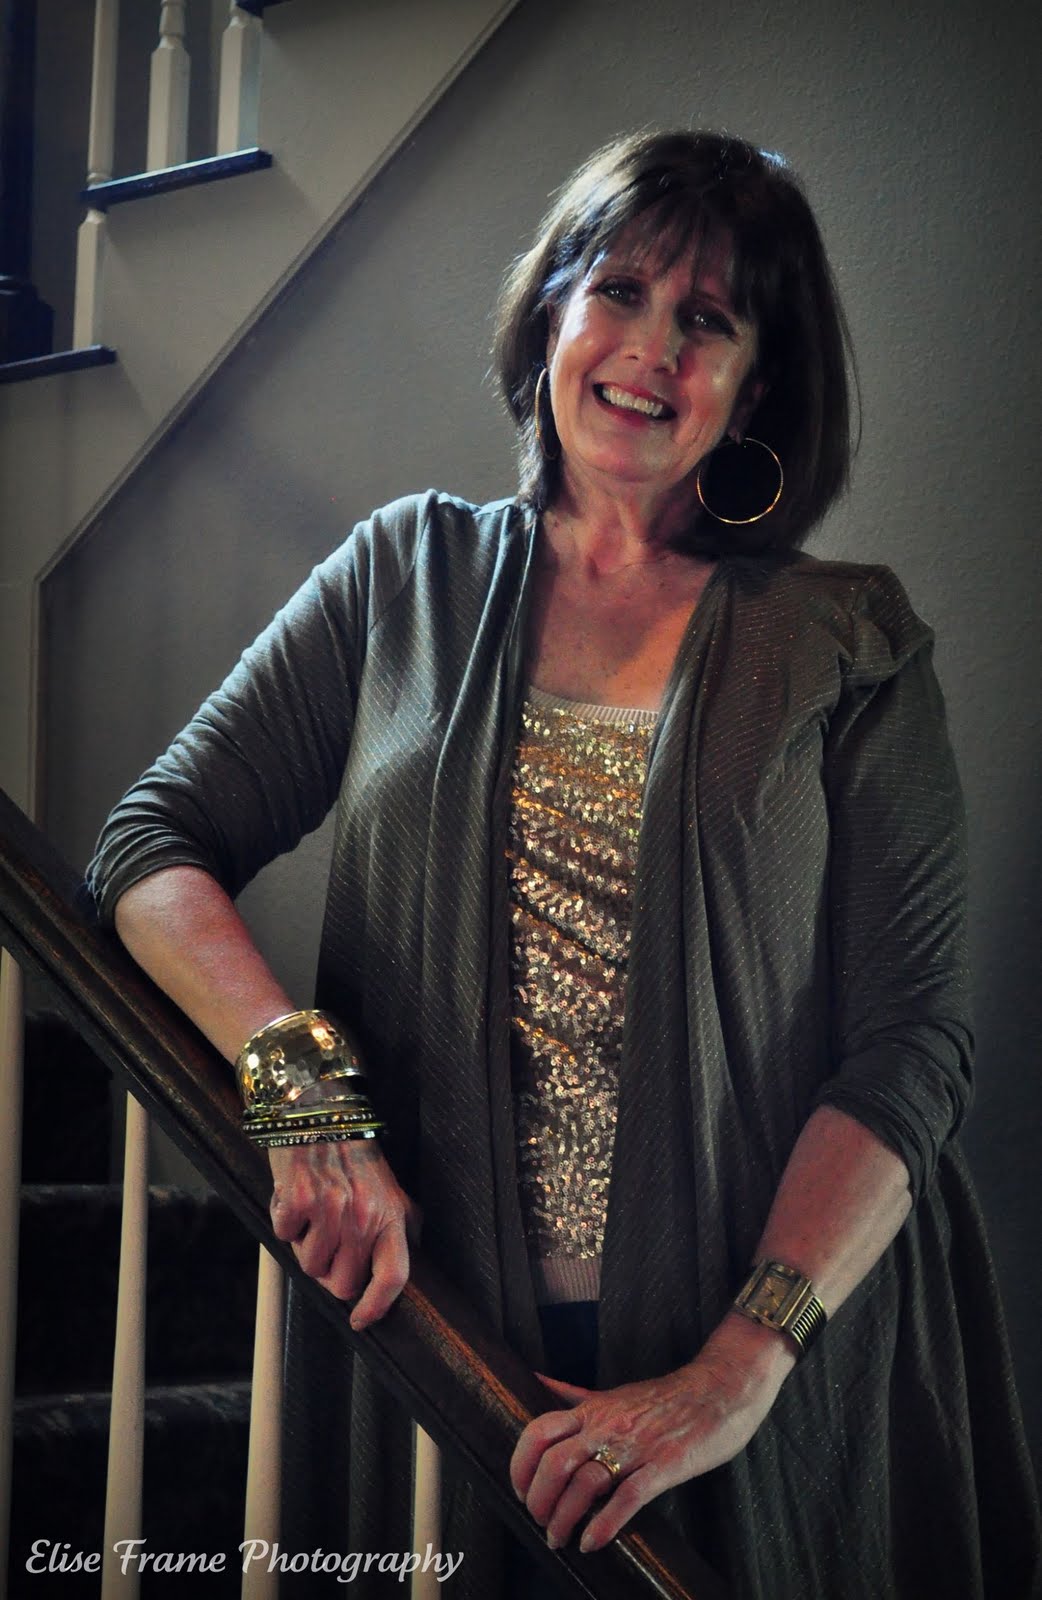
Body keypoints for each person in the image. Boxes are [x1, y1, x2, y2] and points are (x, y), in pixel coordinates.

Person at [87, 130, 1040, 1598]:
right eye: (620, 291)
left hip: (767, 1381)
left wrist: (736, 1369)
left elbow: (912, 1045)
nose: (652, 349)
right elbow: (150, 846)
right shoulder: (402, 575)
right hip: (438, 1336)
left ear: (755, 386)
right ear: (551, 317)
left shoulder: (850, 639)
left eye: (707, 320)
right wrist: (300, 1089)